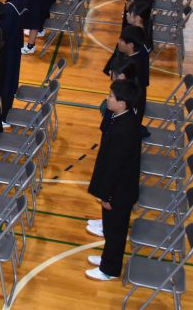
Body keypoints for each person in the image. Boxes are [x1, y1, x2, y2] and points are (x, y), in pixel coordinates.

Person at [85, 79, 142, 281]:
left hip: (119, 191)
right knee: (110, 228)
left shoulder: (123, 130)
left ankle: (109, 269)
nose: (107, 99)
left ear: (122, 103)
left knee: (115, 230)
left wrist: (107, 195)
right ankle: (107, 258)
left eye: (111, 96)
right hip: (117, 188)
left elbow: (116, 167)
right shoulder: (122, 117)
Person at [0, 0, 27, 120]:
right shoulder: (21, 0)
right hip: (16, 45)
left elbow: (3, 32)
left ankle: (5, 117)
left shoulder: (8, 8)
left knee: (6, 82)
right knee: (11, 79)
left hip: (7, 49)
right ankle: (6, 113)